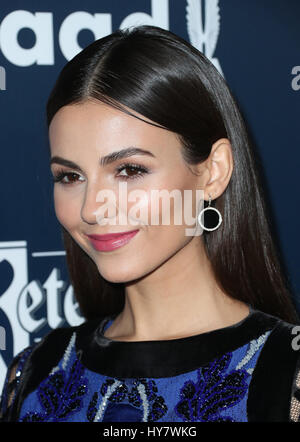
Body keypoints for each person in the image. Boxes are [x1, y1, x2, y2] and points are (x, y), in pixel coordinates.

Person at [1, 25, 300, 423]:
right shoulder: (38, 372)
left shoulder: (287, 378)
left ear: (213, 172)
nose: (93, 208)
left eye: (129, 170)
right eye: (70, 177)